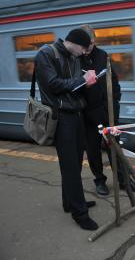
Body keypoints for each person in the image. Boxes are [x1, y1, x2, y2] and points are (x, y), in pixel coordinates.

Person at [34, 28, 99, 230]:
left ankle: (69, 202)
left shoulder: (72, 56)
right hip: (62, 118)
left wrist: (85, 82)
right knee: (70, 166)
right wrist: (82, 80)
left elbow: (71, 85)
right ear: (76, 44)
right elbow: (53, 84)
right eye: (83, 49)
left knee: (76, 163)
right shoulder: (45, 54)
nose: (84, 54)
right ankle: (80, 213)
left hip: (76, 114)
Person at [79, 24, 135, 196]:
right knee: (93, 151)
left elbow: (113, 80)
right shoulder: (75, 59)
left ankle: (123, 179)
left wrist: (116, 101)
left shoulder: (102, 55)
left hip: (108, 112)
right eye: (84, 45)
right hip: (88, 116)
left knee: (115, 148)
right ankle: (99, 181)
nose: (87, 48)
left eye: (89, 44)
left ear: (94, 40)